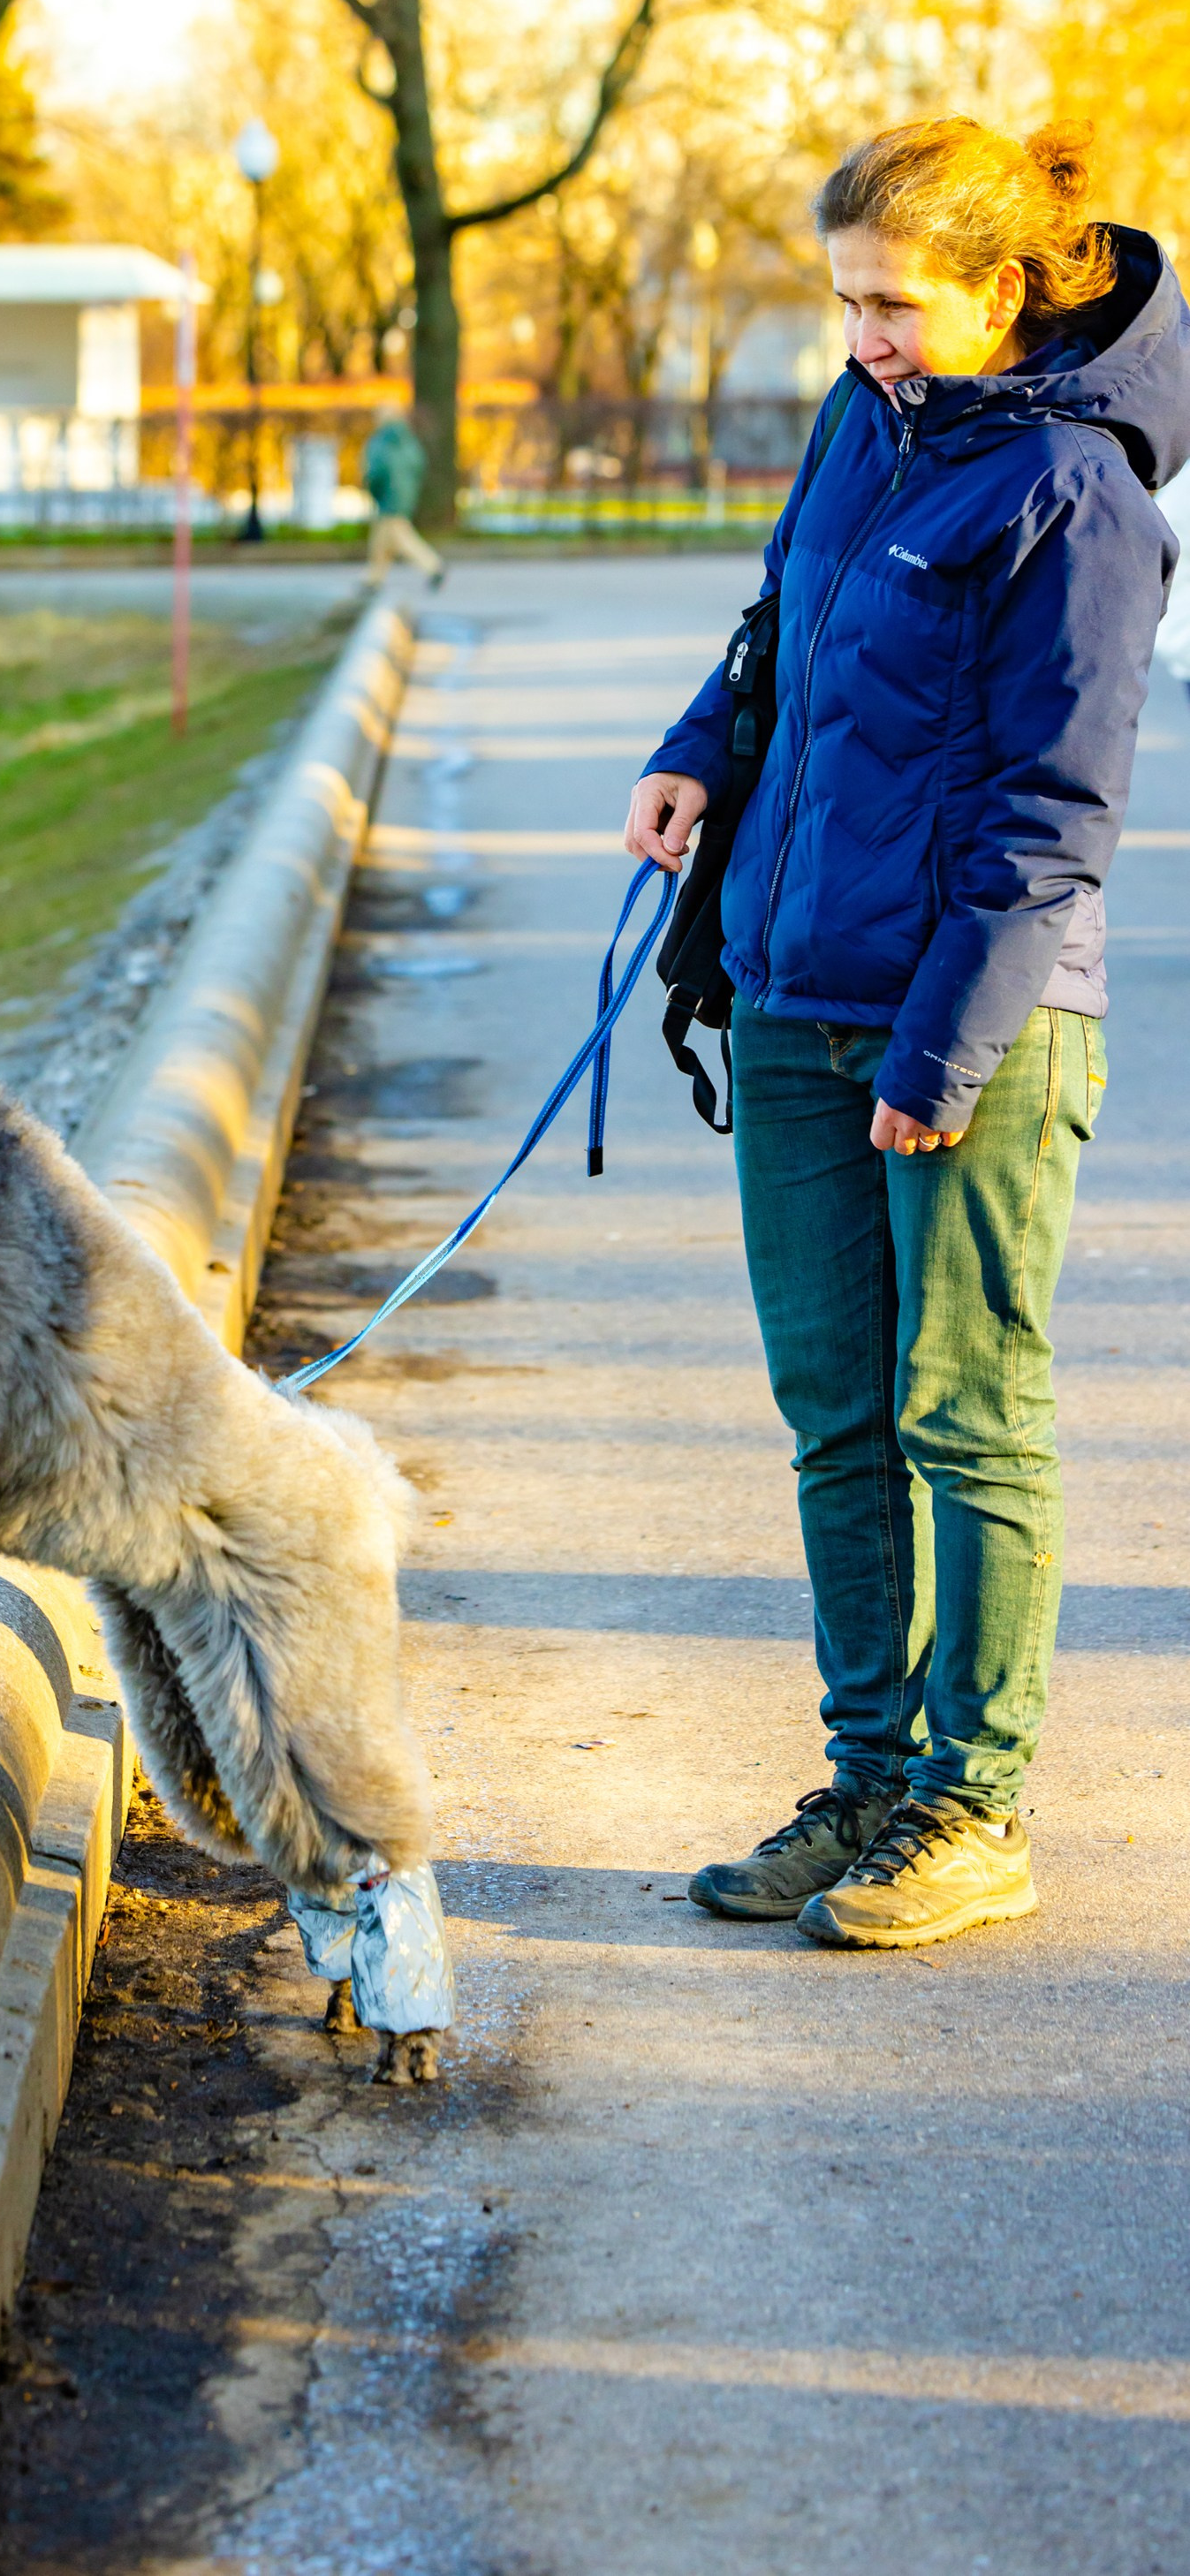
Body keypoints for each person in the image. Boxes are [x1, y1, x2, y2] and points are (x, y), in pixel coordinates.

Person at [626, 117, 1185, 1951]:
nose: (863, 335)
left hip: (974, 1027)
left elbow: (1051, 818)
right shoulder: (865, 425)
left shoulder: (1078, 499)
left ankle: (972, 1803)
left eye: (894, 303)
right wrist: (696, 752)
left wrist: (940, 1061)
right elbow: (778, 621)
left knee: (967, 1411)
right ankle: (868, 1777)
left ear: (1003, 288)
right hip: (790, 992)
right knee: (834, 1418)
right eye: (846, 299)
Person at [360, 407, 445, 586]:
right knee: (381, 541)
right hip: (406, 495)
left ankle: (434, 566)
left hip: (388, 497)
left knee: (402, 538)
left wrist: (374, 493)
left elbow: (376, 472)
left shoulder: (380, 443)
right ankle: (373, 579)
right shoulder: (409, 441)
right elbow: (419, 466)